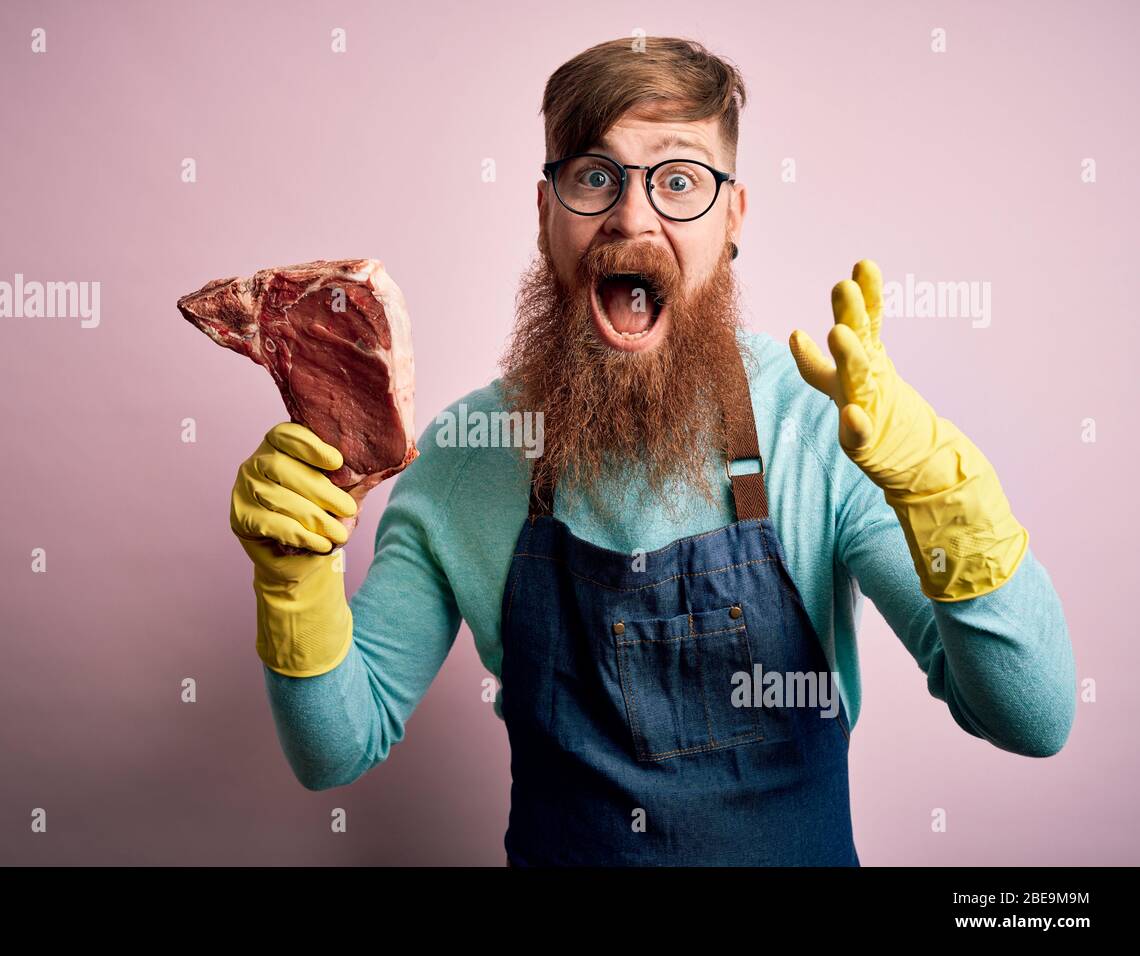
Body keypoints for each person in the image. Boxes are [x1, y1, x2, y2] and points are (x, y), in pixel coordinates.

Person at [228, 37, 1076, 866]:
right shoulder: (463, 458)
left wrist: (944, 494)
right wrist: (293, 579)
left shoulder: (826, 425)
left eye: (679, 180)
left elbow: (1030, 721)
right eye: (594, 177)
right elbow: (333, 751)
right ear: (544, 212)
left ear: (733, 216)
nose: (632, 217)